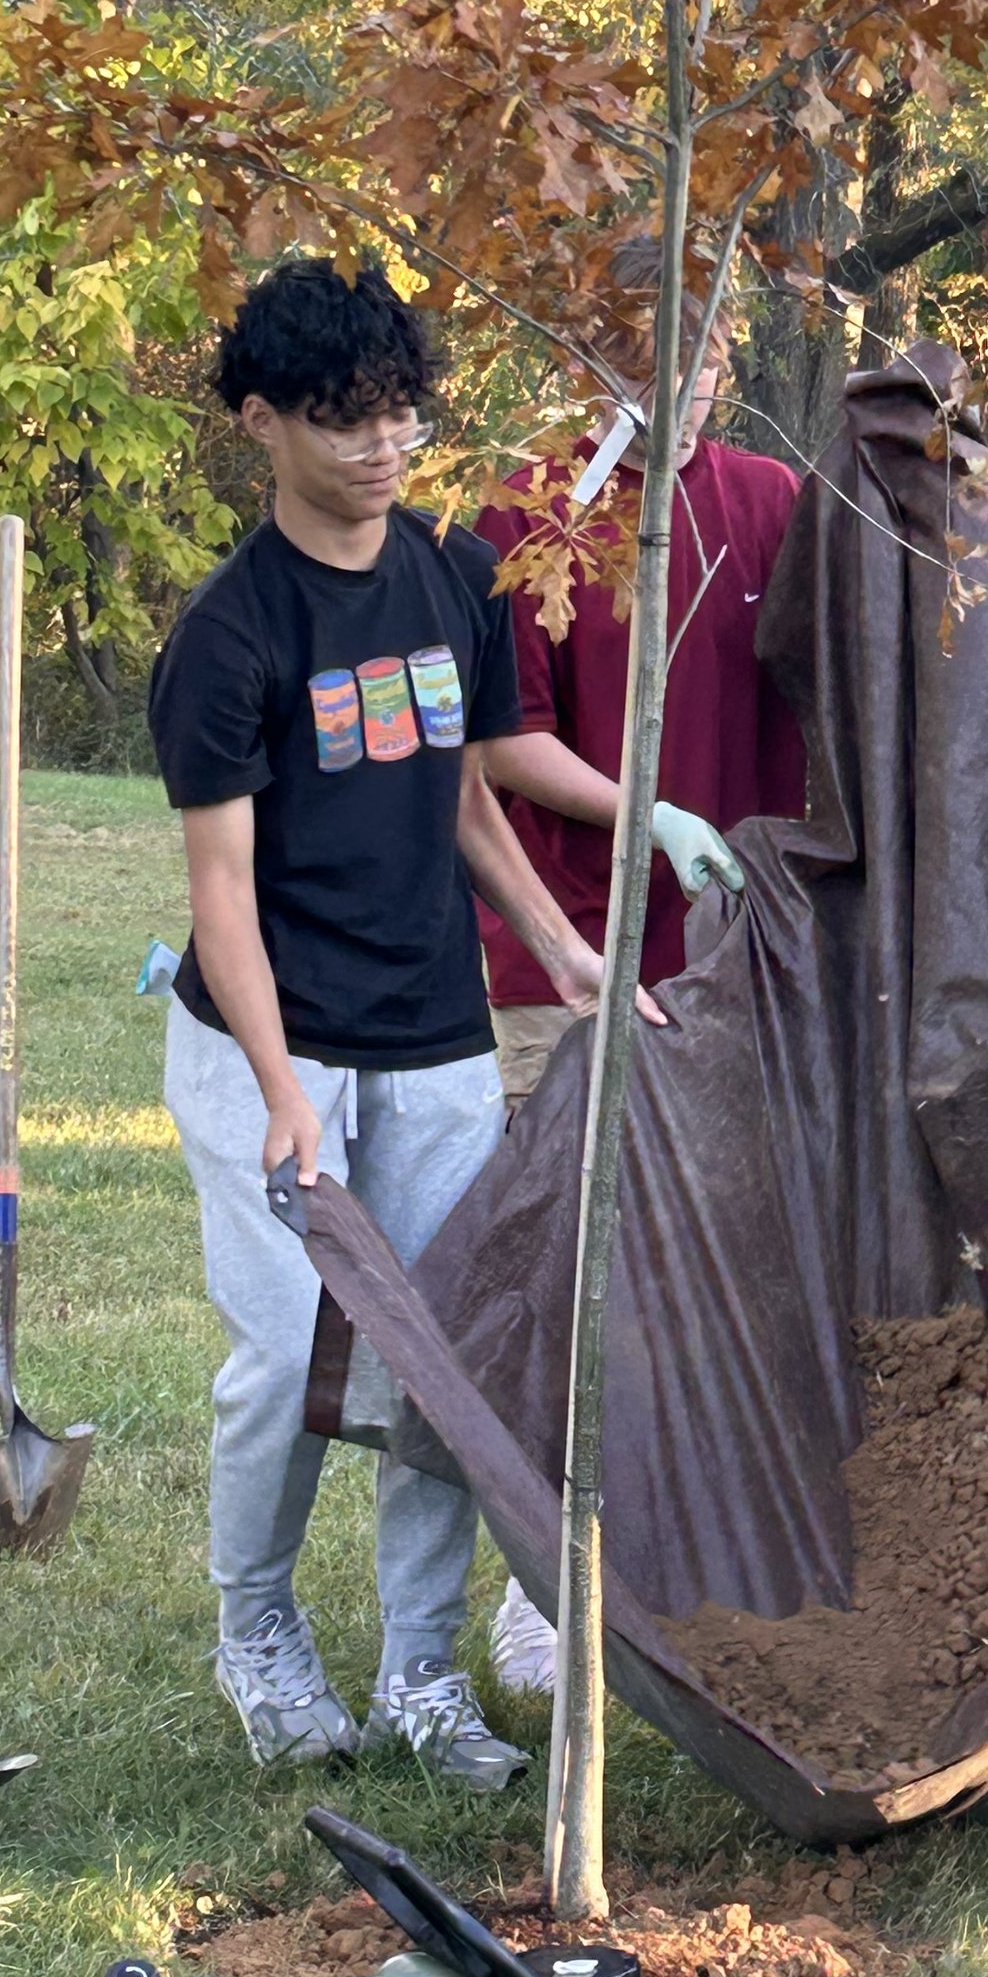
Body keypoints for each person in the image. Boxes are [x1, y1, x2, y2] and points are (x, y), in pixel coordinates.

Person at [151, 255, 618, 1780]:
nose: (382, 445)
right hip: (266, 1040)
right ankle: (258, 1630)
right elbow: (222, 892)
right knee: (291, 1357)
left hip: (435, 1031)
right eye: (345, 418)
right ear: (263, 422)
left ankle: (424, 1668)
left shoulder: (455, 574)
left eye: (401, 411)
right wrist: (288, 1092)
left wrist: (562, 949)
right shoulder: (227, 636)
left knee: (444, 1359)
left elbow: (471, 795)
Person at [473, 256, 807, 1688]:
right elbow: (501, 738)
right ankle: (539, 1587)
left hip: (724, 963)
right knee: (563, 1260)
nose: (678, 388)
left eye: (707, 355)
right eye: (646, 356)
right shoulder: (530, 515)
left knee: (701, 1268)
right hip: (556, 953)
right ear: (585, 355)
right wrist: (643, 808)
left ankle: (673, 1567)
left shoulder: (768, 506)